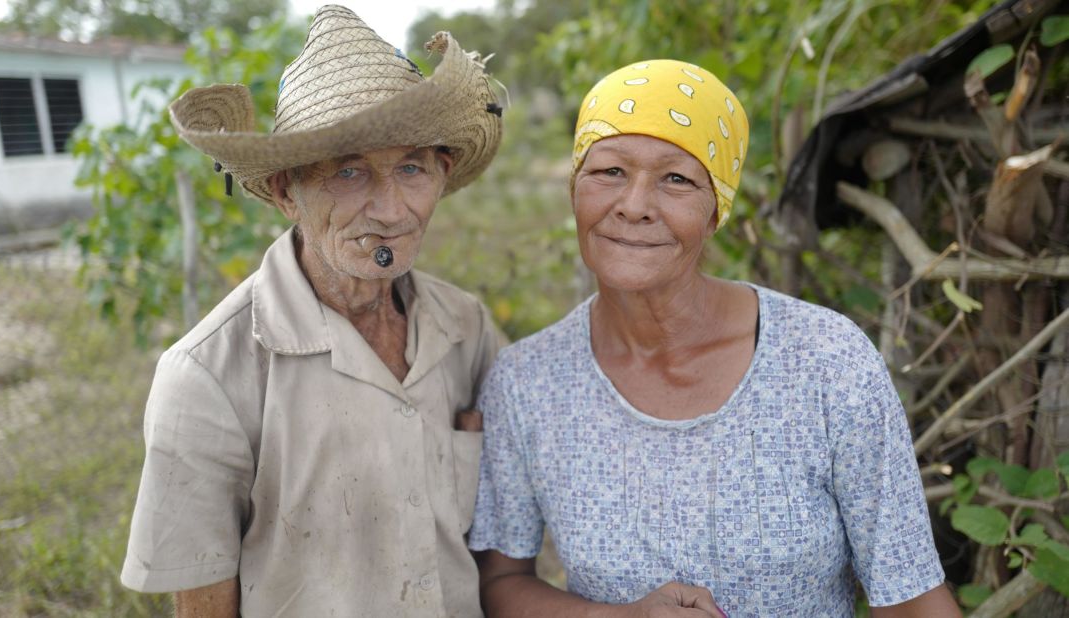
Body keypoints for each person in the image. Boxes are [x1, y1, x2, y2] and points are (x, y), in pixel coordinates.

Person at [468, 59, 961, 617]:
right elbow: (501, 581)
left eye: (676, 179)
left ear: (715, 210)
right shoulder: (528, 382)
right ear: (573, 189)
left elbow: (913, 599)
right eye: (608, 172)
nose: (633, 205)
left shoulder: (826, 361)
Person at [120, 6, 505, 616]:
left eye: (411, 168)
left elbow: (497, 545)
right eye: (349, 172)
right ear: (284, 192)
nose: (390, 209)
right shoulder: (208, 375)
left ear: (443, 171)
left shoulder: (467, 328)